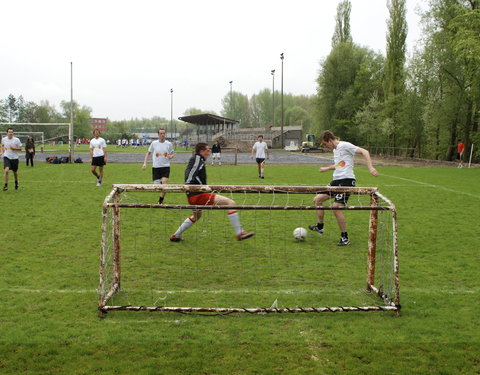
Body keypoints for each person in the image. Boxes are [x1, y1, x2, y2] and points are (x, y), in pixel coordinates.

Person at [170, 142, 254, 242]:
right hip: (198, 195)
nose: (209, 152)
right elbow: (190, 175)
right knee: (230, 203)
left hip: (193, 195)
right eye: (207, 150)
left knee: (197, 216)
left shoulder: (199, 160)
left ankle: (175, 235)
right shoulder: (196, 159)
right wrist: (192, 188)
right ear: (201, 151)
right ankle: (239, 232)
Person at [309, 130, 379, 246]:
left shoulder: (345, 145)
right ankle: (320, 227)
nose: (326, 147)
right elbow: (341, 164)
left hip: (346, 180)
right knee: (317, 200)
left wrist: (370, 167)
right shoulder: (336, 150)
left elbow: (364, 151)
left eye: (326, 144)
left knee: (336, 208)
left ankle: (345, 238)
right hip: (336, 181)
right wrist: (327, 168)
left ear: (330, 140)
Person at [142, 128, 174, 204]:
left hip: (166, 166)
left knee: (164, 184)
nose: (162, 135)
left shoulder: (169, 144)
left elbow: (172, 154)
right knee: (157, 186)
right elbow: (148, 153)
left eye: (164, 133)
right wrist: (145, 163)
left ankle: (160, 201)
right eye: (161, 133)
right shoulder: (154, 143)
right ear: (158, 134)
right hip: (156, 167)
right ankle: (159, 184)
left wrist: (171, 156)